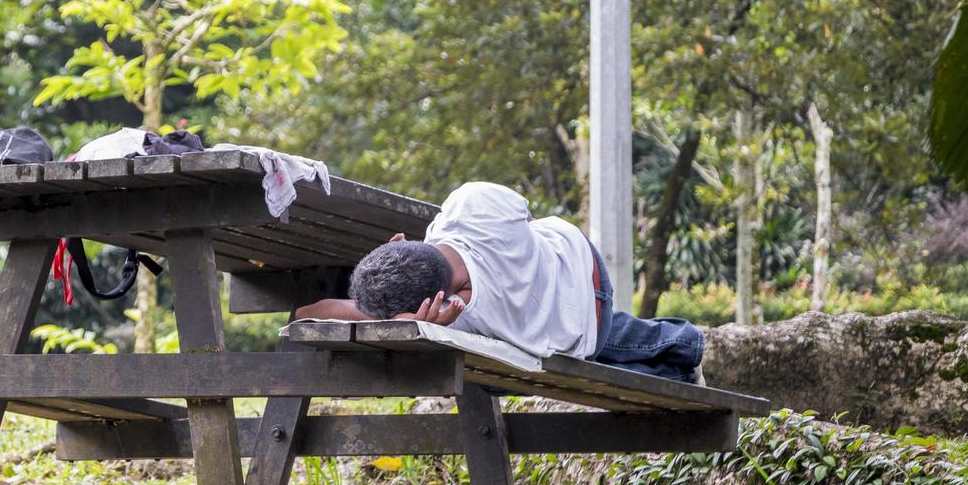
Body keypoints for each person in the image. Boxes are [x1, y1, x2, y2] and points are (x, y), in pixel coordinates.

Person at [295, 181, 704, 382]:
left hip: (583, 335)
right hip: (578, 260)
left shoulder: (454, 323)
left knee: (499, 380)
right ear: (400, 240)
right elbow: (524, 213)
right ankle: (682, 355)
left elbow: (308, 314)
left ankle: (684, 344)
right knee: (611, 343)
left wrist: (413, 324)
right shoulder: (470, 205)